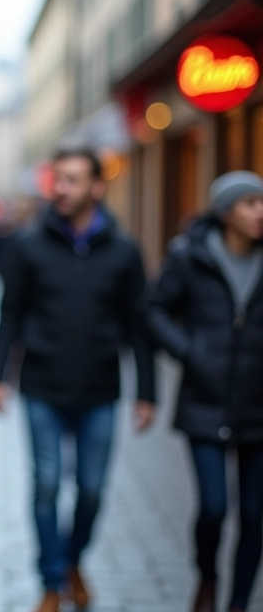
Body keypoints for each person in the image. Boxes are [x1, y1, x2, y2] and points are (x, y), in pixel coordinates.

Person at [0, 147, 156, 612]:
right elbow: (10, 313)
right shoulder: (28, 243)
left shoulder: (124, 251)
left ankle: (71, 560)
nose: (60, 188)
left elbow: (137, 324)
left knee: (92, 489)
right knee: (45, 483)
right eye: (56, 178)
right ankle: (50, 581)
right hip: (41, 384)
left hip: (101, 389)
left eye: (72, 179)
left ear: (97, 187)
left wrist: (147, 392)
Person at [147, 171, 263, 612]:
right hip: (205, 399)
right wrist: (189, 352)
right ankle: (208, 576)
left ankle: (237, 602)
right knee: (213, 507)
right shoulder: (190, 256)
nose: (260, 212)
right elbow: (155, 309)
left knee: (254, 515)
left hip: (257, 404)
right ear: (226, 210)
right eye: (250, 203)